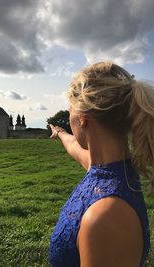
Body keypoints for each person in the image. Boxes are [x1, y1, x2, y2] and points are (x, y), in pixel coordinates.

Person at [49, 61, 153, 267]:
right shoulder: (108, 170)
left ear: (83, 118)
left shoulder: (107, 215)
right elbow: (74, 147)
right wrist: (60, 133)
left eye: (69, 111)